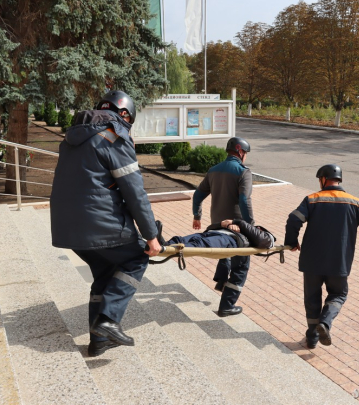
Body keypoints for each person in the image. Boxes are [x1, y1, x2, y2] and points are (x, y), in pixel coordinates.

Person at [50, 90, 162, 357]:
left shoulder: (73, 138)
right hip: (99, 224)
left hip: (67, 227)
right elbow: (135, 193)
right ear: (123, 114)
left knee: (105, 273)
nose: (127, 126)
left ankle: (98, 340)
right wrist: (151, 236)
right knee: (136, 259)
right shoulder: (113, 136)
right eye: (128, 120)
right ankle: (109, 320)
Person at [284, 164, 359, 349]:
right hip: (338, 262)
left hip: (312, 261)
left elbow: (294, 219)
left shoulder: (312, 200)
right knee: (338, 294)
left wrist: (292, 242)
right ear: (339, 180)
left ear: (323, 179)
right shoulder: (355, 203)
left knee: (312, 299)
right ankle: (325, 323)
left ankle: (312, 338)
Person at [192, 137, 254, 317]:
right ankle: (227, 305)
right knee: (241, 265)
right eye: (245, 153)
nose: (246, 156)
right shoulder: (243, 172)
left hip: (218, 223)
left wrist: (197, 215)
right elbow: (244, 200)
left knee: (225, 250)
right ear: (240, 151)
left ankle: (221, 280)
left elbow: (197, 195)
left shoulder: (213, 170)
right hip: (236, 226)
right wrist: (250, 225)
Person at [160, 219, 275, 250]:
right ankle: (164, 244)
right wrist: (222, 224)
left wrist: (236, 222)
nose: (256, 228)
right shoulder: (243, 227)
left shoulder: (268, 238)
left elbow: (262, 240)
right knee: (182, 238)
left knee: (201, 243)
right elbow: (209, 228)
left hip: (230, 239)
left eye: (258, 229)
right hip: (213, 232)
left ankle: (171, 249)